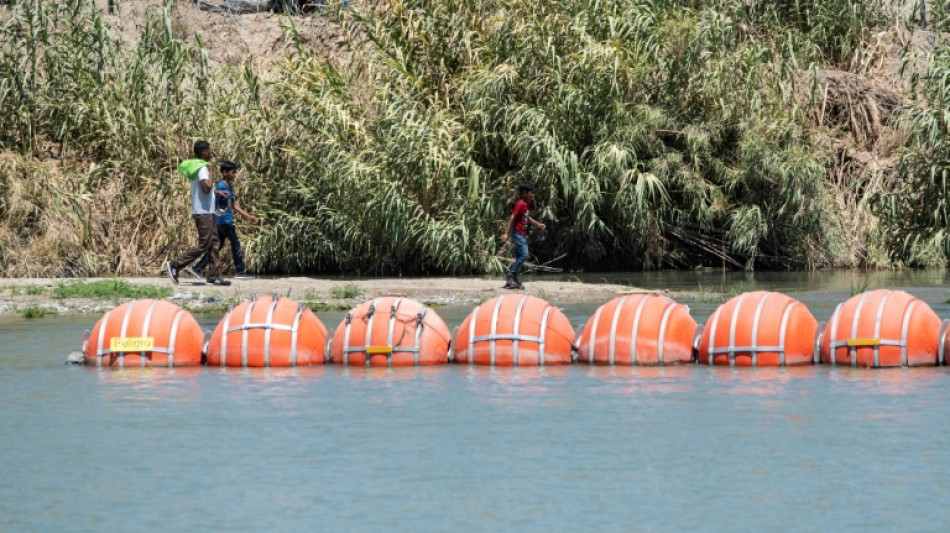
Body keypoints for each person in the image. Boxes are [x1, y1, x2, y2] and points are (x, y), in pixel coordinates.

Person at [166, 140, 231, 286]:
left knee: (215, 242)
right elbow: (206, 188)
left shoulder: (200, 167)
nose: (212, 151)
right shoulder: (203, 168)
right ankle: (176, 265)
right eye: (209, 149)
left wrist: (216, 191)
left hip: (206, 211)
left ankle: (213, 276)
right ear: (203, 152)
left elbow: (206, 190)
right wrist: (212, 171)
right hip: (203, 212)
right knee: (204, 244)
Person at [185, 160, 259, 280]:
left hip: (223, 221)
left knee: (217, 246)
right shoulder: (221, 186)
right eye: (232, 172)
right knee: (235, 244)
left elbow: (233, 205)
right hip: (224, 220)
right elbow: (210, 193)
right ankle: (240, 271)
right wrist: (217, 192)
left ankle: (197, 268)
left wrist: (247, 216)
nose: (234, 175)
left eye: (235, 172)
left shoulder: (228, 187)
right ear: (224, 172)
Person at [500, 181, 546, 289]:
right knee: (525, 255)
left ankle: (512, 281)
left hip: (521, 234)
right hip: (517, 233)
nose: (533, 195)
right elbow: (512, 217)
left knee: (519, 257)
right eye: (531, 193)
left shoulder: (525, 205)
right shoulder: (520, 203)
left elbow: (527, 218)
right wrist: (505, 234)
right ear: (524, 193)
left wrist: (538, 224)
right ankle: (510, 275)